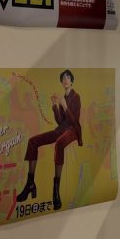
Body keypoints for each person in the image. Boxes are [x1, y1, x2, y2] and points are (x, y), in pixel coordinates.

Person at [15, 70, 82, 211]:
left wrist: (64, 105)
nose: (65, 79)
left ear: (72, 81)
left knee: (59, 143)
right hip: (62, 129)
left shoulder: (76, 97)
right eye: (63, 78)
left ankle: (55, 189)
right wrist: (55, 106)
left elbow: (74, 121)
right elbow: (60, 121)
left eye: (68, 77)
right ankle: (30, 184)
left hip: (73, 130)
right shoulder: (63, 97)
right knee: (32, 141)